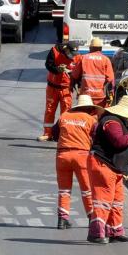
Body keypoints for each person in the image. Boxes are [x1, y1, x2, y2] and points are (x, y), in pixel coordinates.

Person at [86, 94, 128, 244]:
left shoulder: (120, 123)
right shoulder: (111, 122)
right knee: (103, 200)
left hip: (115, 167)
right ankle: (95, 232)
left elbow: (127, 148)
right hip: (103, 164)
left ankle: (115, 231)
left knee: (117, 201)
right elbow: (119, 142)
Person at [50, 94, 102, 229]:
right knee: (87, 190)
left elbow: (54, 134)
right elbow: (97, 139)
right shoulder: (90, 120)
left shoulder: (64, 116)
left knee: (64, 190)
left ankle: (62, 219)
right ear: (90, 108)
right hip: (81, 156)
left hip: (62, 156)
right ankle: (91, 218)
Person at [39, 38, 76, 141]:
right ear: (66, 49)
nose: (72, 56)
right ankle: (47, 133)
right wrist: (57, 70)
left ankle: (64, 134)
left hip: (66, 88)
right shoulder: (54, 51)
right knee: (50, 110)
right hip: (53, 87)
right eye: (70, 53)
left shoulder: (77, 57)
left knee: (66, 112)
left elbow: (77, 73)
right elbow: (48, 65)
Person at [69, 36, 115, 106]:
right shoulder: (106, 60)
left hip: (85, 95)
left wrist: (72, 87)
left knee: (85, 116)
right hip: (100, 96)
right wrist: (111, 94)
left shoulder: (83, 58)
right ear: (101, 48)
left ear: (91, 48)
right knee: (99, 115)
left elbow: (74, 75)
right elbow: (110, 79)